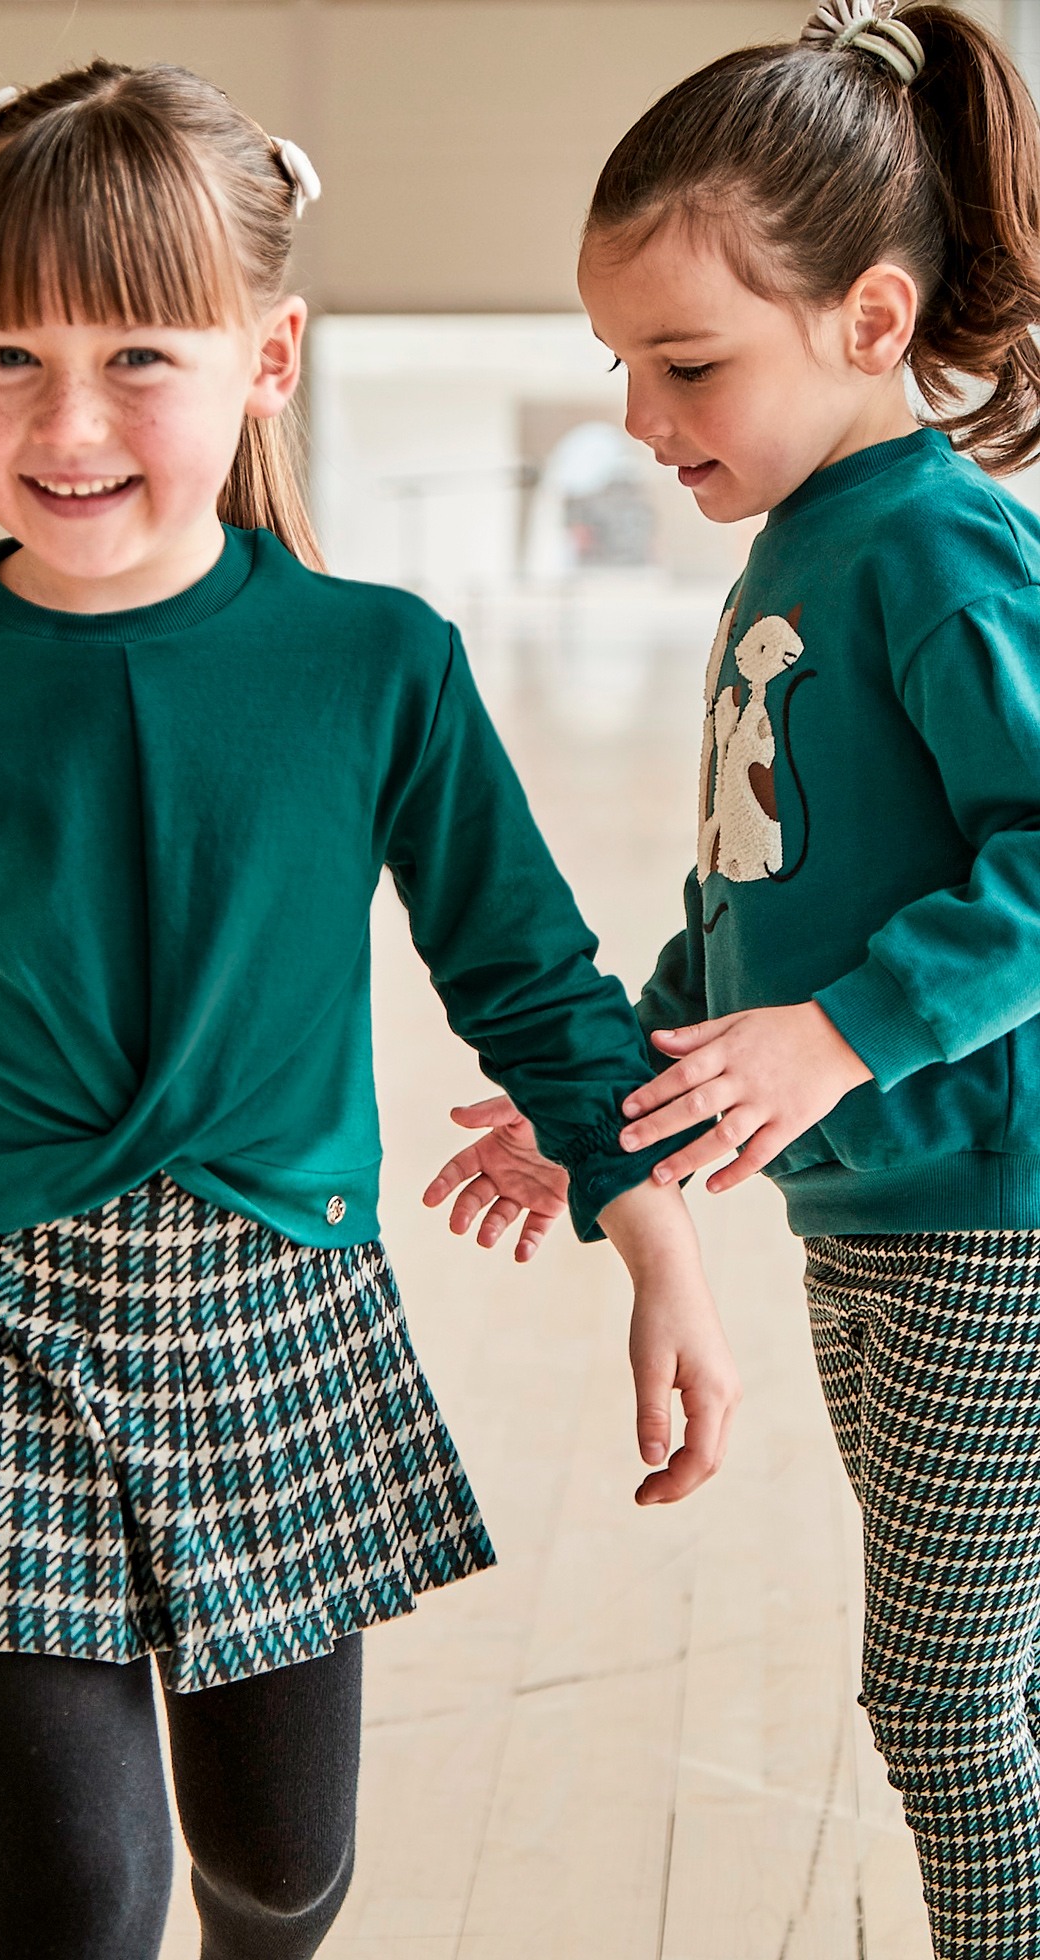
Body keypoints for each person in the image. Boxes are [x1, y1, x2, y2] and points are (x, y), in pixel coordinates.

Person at [0, 60, 738, 1960]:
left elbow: (530, 981)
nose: (69, 419)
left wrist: (662, 1249)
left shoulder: (375, 663)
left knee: (283, 1876)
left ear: (267, 357)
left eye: (139, 355)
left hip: (273, 1311)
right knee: (77, 1901)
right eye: (5, 358)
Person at [424, 4, 1040, 1950]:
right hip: (877, 1213)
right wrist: (601, 1112)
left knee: (939, 1701)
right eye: (620, 365)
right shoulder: (793, 549)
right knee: (989, 1670)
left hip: (990, 1218)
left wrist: (855, 1029)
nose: (638, 415)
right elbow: (746, 907)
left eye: (684, 361)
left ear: (871, 319)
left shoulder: (939, 547)